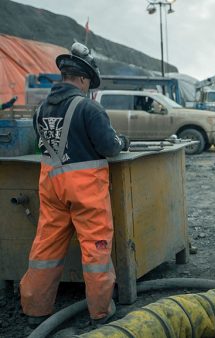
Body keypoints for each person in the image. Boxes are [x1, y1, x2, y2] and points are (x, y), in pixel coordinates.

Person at [19, 42, 128, 328]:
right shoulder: (90, 108)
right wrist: (122, 142)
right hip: (84, 189)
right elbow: (109, 147)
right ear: (82, 79)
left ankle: (35, 309)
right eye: (88, 83)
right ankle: (101, 311)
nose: (88, 88)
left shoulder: (41, 109)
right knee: (96, 247)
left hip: (51, 184)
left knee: (47, 244)